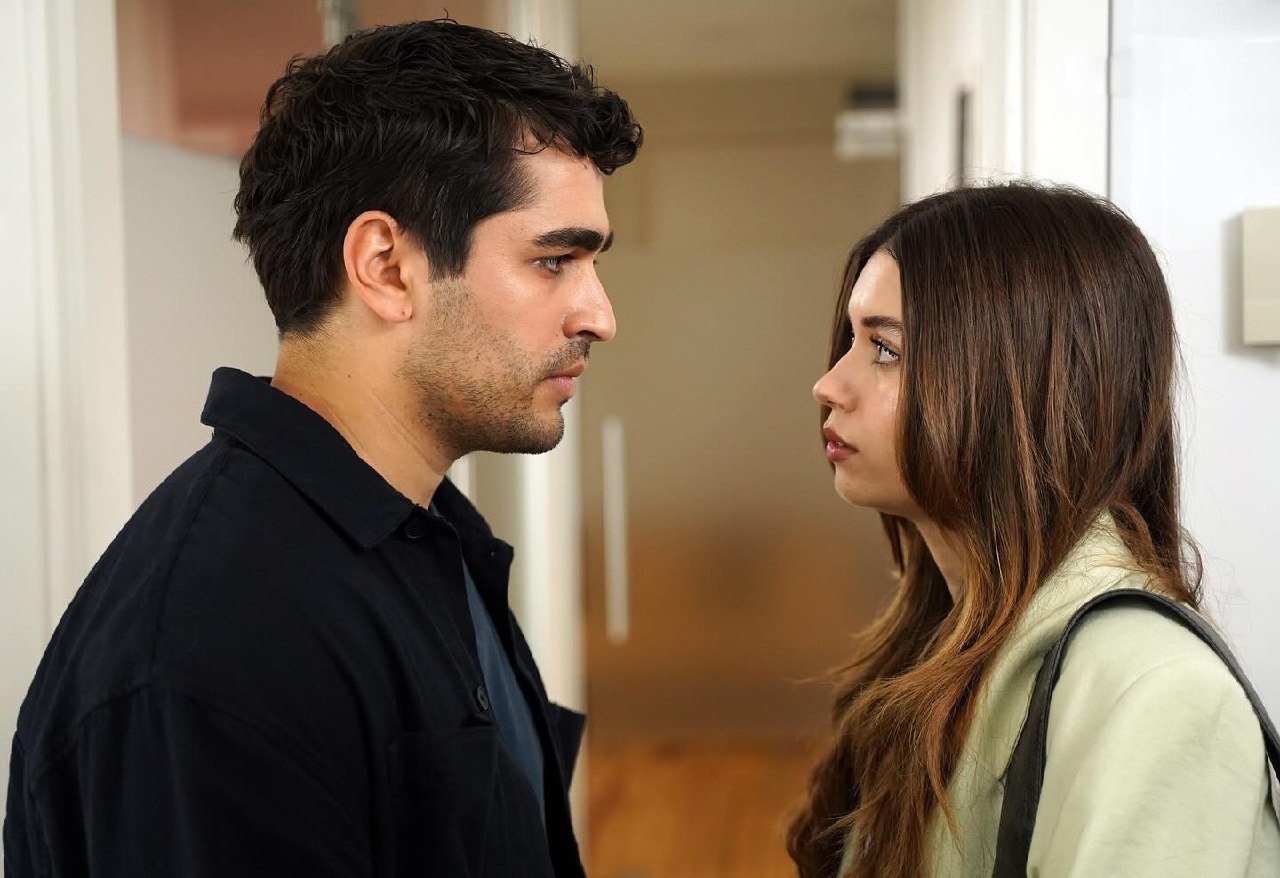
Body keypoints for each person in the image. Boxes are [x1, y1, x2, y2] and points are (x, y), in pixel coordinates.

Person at [4, 19, 640, 878]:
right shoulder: (219, 640)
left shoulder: (428, 539)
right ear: (385, 265)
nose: (599, 316)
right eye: (555, 259)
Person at [790, 183, 1280, 877]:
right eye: (851, 340)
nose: (829, 384)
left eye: (886, 349)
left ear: (1013, 381)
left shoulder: (1156, 691)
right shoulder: (938, 637)